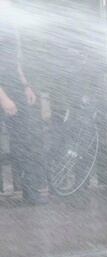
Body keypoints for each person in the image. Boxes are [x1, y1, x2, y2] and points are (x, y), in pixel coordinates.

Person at [0, 0, 40, 205]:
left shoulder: (8, 22)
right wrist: (4, 98)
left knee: (23, 141)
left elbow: (13, 61)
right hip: (2, 91)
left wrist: (25, 85)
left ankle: (30, 192)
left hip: (14, 88)